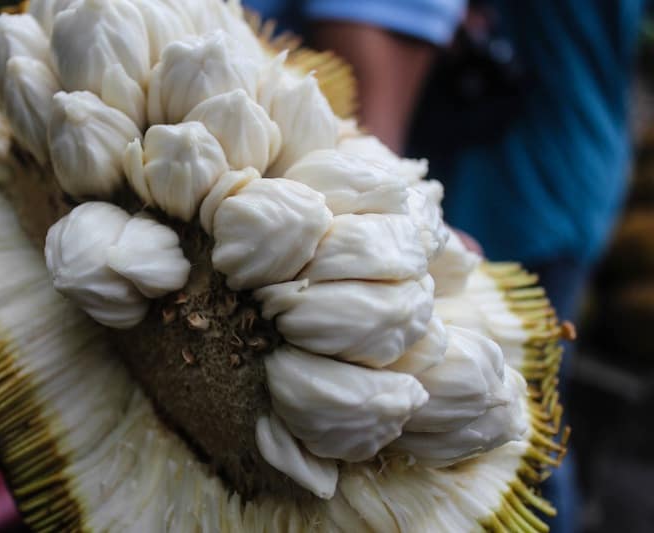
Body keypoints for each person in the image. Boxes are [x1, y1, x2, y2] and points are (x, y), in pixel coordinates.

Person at [243, 1, 647, 532]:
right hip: (571, 178)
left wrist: (383, 193)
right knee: (520, 407)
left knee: (512, 416)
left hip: (522, 191)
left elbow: (398, 16)